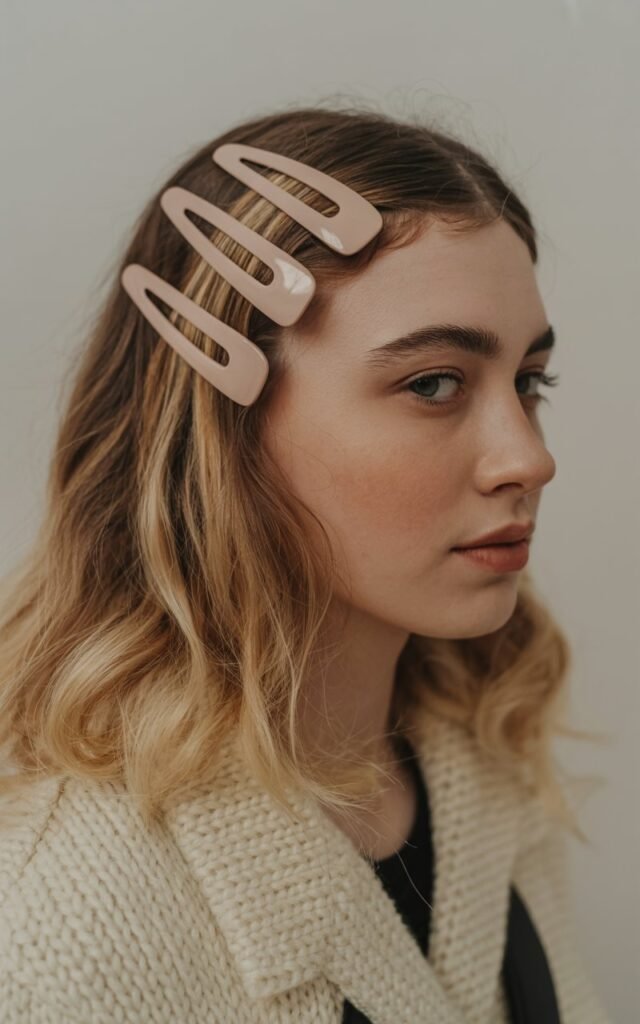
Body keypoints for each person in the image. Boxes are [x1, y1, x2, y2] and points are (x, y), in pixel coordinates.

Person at [0, 104, 611, 1023]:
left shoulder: (490, 772)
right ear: (222, 428)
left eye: (529, 383)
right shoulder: (56, 919)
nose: (528, 457)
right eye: (434, 383)